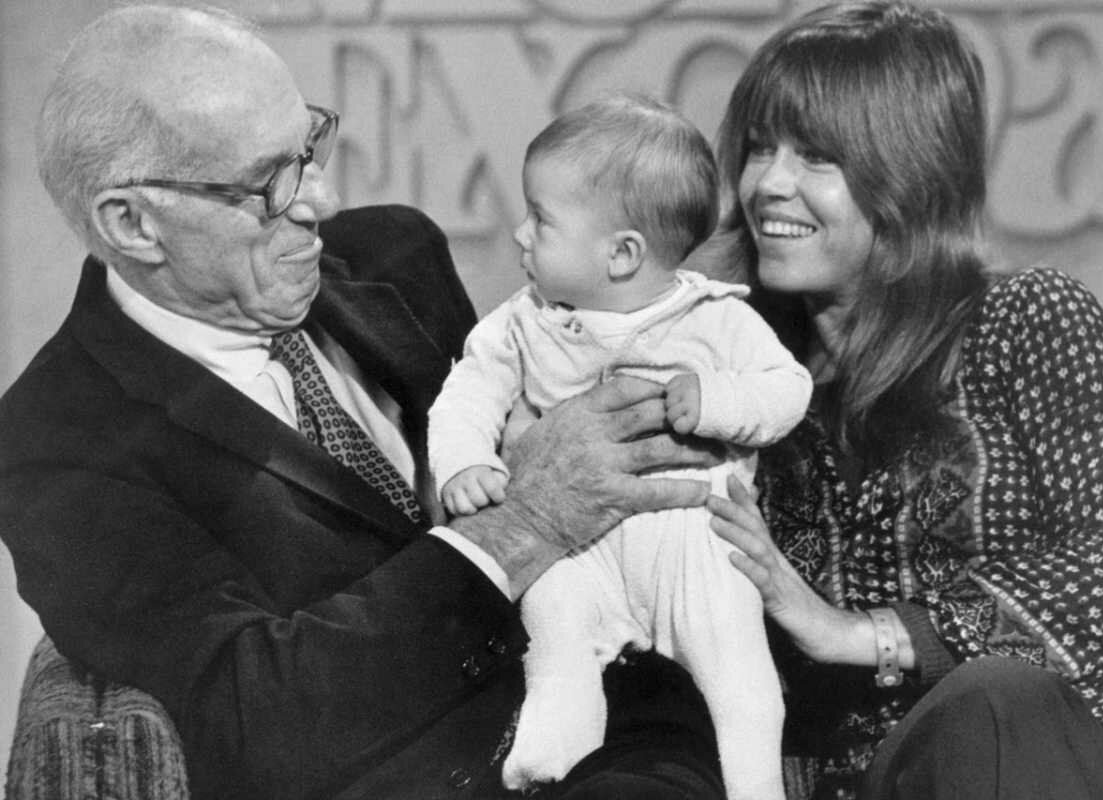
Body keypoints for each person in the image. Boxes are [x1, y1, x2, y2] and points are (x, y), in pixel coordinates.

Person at [0, 6, 730, 800]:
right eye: (269, 183)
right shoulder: (56, 442)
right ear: (134, 223)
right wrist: (525, 523)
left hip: (639, 730)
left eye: (308, 150)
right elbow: (256, 714)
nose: (322, 199)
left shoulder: (394, 253)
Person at [692, 1, 1103, 798]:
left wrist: (866, 635)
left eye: (817, 156)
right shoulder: (736, 377)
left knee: (996, 700)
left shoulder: (1029, 322)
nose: (769, 185)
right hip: (886, 780)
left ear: (910, 172)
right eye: (759, 148)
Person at [427, 93, 811, 800]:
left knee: (743, 684)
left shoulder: (715, 316)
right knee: (556, 629)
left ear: (623, 253)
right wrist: (466, 461)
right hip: (580, 546)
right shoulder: (524, 321)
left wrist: (718, 400)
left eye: (541, 219)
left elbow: (787, 388)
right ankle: (557, 741)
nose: (519, 233)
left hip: (696, 548)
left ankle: (757, 788)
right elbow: (467, 392)